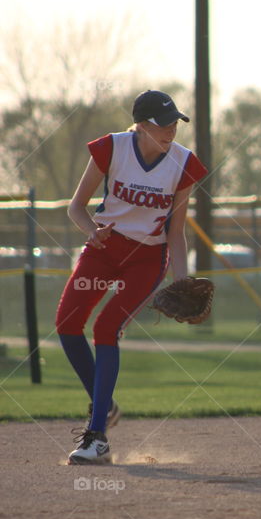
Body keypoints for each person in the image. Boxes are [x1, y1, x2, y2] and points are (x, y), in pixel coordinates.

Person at [57, 90, 208, 465]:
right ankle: (104, 405)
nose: (170, 130)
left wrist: (182, 281)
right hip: (104, 248)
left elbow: (176, 232)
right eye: (162, 123)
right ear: (140, 125)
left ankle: (97, 438)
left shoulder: (183, 164)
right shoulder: (112, 149)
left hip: (147, 258)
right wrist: (91, 230)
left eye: (174, 122)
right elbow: (76, 207)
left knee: (106, 328)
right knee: (67, 325)